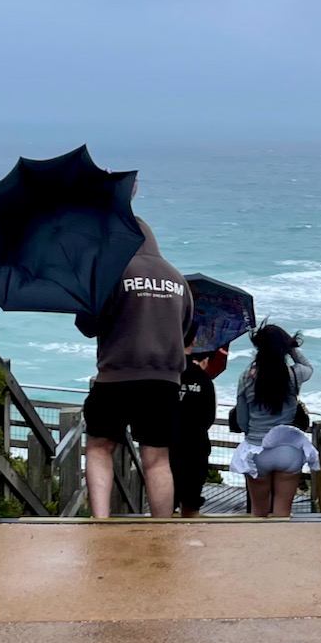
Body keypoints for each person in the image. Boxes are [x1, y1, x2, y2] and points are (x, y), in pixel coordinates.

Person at [76, 217, 192, 518]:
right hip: (164, 380)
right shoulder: (178, 279)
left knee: (100, 448)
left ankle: (100, 520)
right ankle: (161, 528)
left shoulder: (112, 271)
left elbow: (88, 325)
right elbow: (185, 328)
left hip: (116, 375)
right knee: (157, 459)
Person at [230, 323, 315, 517]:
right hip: (289, 450)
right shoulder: (294, 375)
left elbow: (242, 420)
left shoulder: (247, 377)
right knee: (282, 514)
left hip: (257, 450)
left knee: (258, 513)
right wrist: (290, 347)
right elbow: (308, 367)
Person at [171, 324, 219, 518]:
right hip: (195, 446)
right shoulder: (204, 380)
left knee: (164, 500)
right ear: (194, 341)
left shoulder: (163, 373)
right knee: (191, 504)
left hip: (167, 444)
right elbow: (209, 417)